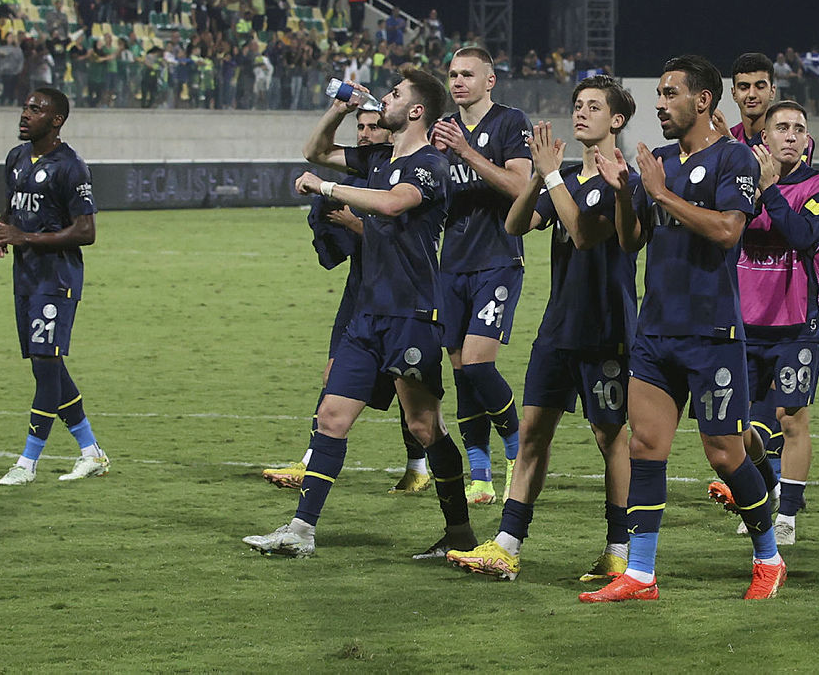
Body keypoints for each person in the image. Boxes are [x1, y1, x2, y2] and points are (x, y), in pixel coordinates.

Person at [244, 67, 476, 559]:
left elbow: (393, 205)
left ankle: (459, 534)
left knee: (423, 427)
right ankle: (301, 531)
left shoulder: (430, 164)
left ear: (416, 110)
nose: (383, 101)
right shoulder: (377, 156)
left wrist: (327, 190)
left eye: (394, 95)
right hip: (367, 316)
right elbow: (316, 152)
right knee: (330, 417)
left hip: (412, 314)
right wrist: (339, 109)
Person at [577, 55, 785, 602]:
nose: (659, 104)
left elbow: (727, 231)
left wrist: (662, 192)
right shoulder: (660, 160)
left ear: (702, 101)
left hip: (711, 333)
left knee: (725, 453)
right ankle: (641, 574)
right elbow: (630, 240)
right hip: (655, 333)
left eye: (670, 94)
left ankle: (769, 557)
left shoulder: (733, 157)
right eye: (659, 93)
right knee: (646, 448)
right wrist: (626, 191)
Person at [447, 76, 643, 582]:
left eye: (594, 107)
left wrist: (552, 178)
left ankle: (619, 548)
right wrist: (539, 176)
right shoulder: (567, 178)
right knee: (534, 433)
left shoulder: (624, 181)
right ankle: (508, 544)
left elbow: (581, 234)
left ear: (616, 121)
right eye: (578, 105)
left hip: (606, 331)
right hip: (556, 330)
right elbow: (515, 226)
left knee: (609, 437)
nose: (581, 114)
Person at [262, 109, 433, 494]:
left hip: (406, 296)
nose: (365, 134)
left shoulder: (415, 168)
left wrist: (356, 224)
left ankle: (424, 467)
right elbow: (315, 151)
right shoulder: (365, 169)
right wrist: (338, 108)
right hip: (362, 291)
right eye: (360, 127)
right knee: (334, 373)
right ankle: (310, 464)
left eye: (374, 126)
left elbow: (403, 233)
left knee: (410, 392)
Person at [711, 100, 819, 545]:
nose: (790, 135)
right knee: (738, 427)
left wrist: (768, 190)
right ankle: (766, 481)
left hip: (797, 326)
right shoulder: (740, 185)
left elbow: (804, 236)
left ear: (807, 140)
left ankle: (786, 513)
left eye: (798, 128)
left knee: (792, 420)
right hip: (743, 326)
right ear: (763, 138)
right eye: (782, 127)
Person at [0, 89, 109, 485]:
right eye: (24, 107)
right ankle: (91, 453)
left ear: (56, 120)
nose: (24, 114)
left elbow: (86, 232)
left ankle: (27, 462)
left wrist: (26, 238)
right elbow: (14, 208)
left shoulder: (71, 166)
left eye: (35, 109)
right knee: (46, 363)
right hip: (26, 277)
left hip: (57, 279)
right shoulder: (16, 158)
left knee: (46, 365)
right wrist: (5, 230)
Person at [431, 46, 533, 504]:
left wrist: (466, 152)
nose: (458, 82)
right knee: (460, 373)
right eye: (453, 74)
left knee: (477, 363)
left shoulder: (511, 123)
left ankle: (518, 451)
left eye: (468, 74)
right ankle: (480, 473)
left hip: (497, 261)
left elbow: (521, 187)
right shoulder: (441, 132)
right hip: (451, 264)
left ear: (489, 81)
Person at [728, 51, 815, 163]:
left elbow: (785, 178)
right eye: (744, 87)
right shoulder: (729, 137)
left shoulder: (794, 138)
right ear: (734, 93)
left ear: (772, 92)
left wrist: (731, 149)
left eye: (760, 87)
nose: (751, 94)